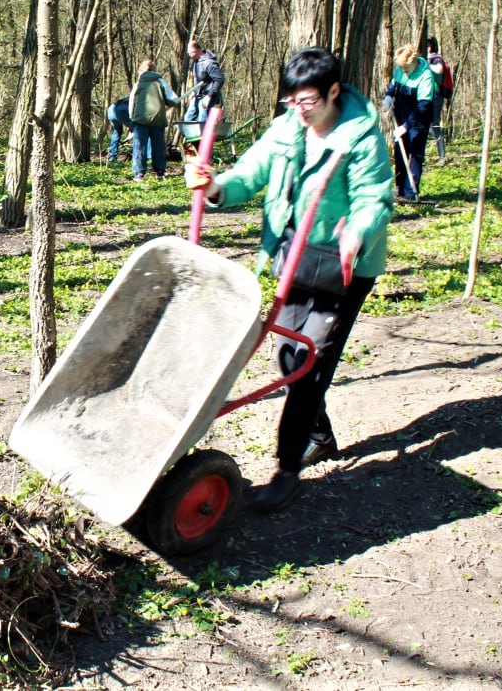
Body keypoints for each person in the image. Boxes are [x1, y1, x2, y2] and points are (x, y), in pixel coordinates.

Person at [185, 47, 393, 512]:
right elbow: (249, 172)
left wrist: (356, 233)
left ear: (333, 92)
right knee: (287, 357)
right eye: (291, 100)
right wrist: (215, 186)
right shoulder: (285, 130)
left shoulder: (360, 136)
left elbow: (374, 198)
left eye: (309, 101)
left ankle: (286, 471)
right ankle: (319, 435)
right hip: (294, 258)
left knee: (309, 366)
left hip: (343, 268)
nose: (299, 110)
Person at [383, 43, 435, 202]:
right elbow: (394, 85)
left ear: (413, 62)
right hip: (401, 116)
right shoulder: (400, 69)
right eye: (401, 68)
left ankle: (411, 193)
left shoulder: (426, 76)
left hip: (419, 120)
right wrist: (389, 96)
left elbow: (423, 106)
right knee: (400, 152)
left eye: (406, 67)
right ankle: (400, 189)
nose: (403, 71)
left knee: (415, 155)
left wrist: (406, 126)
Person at [128, 59, 180, 180]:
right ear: (153, 69)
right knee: (158, 145)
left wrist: (131, 117)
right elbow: (173, 99)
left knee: (139, 145)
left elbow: (132, 102)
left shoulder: (138, 83)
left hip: (140, 119)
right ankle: (160, 171)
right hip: (158, 118)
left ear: (141, 71)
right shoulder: (160, 81)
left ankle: (139, 173)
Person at [181, 39, 226, 142]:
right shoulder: (195, 63)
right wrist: (193, 92)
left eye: (189, 52)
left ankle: (204, 148)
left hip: (209, 97)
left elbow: (219, 80)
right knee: (188, 119)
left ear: (196, 50)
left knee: (202, 122)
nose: (188, 54)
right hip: (198, 96)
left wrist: (209, 96)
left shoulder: (209, 63)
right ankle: (192, 146)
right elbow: (197, 80)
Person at [425, 37, 453, 162]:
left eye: (428, 45)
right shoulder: (428, 59)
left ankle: (442, 156)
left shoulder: (436, 59)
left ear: (431, 47)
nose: (426, 48)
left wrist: (426, 64)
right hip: (426, 94)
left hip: (435, 95)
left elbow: (439, 69)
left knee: (434, 125)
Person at [105, 96, 130, 163]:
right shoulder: (140, 99)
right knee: (139, 132)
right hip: (121, 110)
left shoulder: (128, 98)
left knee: (117, 132)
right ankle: (133, 155)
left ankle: (112, 157)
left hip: (111, 110)